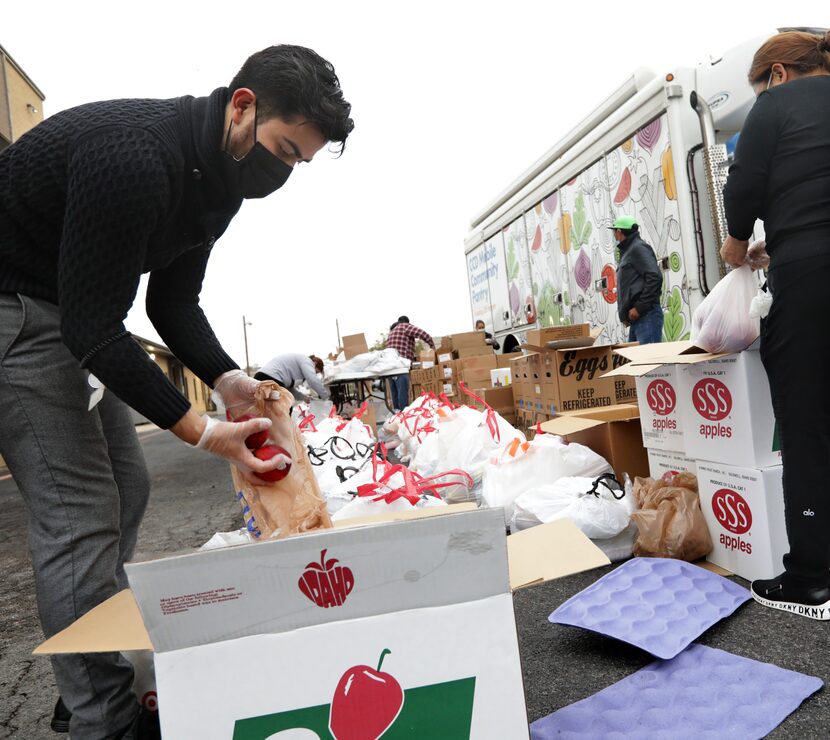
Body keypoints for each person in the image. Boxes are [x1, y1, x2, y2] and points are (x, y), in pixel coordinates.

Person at [0, 45, 353, 738]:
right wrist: (203, 431)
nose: (281, 171)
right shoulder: (138, 158)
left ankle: (89, 665)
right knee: (79, 515)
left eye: (298, 163)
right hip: (15, 308)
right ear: (242, 104)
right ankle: (103, 717)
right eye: (282, 148)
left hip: (67, 308)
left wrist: (229, 381)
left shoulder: (218, 182)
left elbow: (174, 303)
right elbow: (96, 329)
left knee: (127, 490)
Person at [721, 29, 830, 619]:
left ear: (778, 75)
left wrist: (740, 246)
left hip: (813, 276)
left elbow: (745, 187)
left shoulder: (776, 105)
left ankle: (812, 578)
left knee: (808, 419)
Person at [612, 215, 664, 344]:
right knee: (637, 362)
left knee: (649, 362)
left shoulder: (637, 248)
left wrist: (639, 307)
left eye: (614, 231)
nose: (614, 235)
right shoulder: (629, 250)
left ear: (619, 232)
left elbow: (655, 277)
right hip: (639, 319)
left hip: (647, 316)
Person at [385, 315, 435, 411]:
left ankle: (396, 415)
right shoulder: (405, 326)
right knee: (402, 393)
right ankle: (404, 415)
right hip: (400, 366)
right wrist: (432, 346)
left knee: (395, 394)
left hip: (390, 367)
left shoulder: (392, 331)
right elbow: (423, 334)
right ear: (407, 322)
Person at [255, 353, 330, 403]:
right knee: (285, 407)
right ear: (315, 363)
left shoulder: (293, 369)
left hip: (260, 377)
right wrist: (326, 397)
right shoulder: (307, 361)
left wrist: (304, 398)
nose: (314, 374)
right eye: (316, 372)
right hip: (271, 378)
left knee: (266, 408)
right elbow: (313, 380)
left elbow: (289, 389)